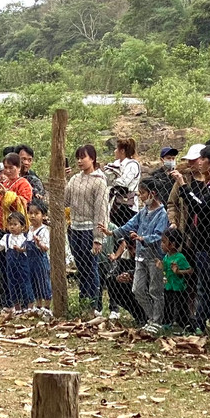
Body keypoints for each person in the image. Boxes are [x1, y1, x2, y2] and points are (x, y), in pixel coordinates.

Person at [112, 180, 169, 330]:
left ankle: (157, 322)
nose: (140, 196)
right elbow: (130, 224)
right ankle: (151, 317)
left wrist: (143, 239)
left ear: (152, 193)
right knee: (137, 289)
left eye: (143, 193)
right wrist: (113, 232)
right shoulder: (143, 211)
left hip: (154, 257)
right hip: (140, 257)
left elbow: (159, 236)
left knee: (155, 290)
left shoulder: (162, 214)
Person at [64, 145, 109, 315]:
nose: (80, 161)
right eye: (78, 157)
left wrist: (98, 237)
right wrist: (64, 179)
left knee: (91, 267)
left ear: (92, 158)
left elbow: (101, 210)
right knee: (81, 267)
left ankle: (95, 305)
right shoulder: (75, 178)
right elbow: (65, 201)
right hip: (74, 228)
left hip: (90, 229)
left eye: (83, 157)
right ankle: (84, 302)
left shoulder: (99, 181)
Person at [184, 144, 210, 332]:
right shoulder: (207, 185)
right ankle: (200, 321)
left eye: (204, 160)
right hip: (201, 241)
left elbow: (201, 208)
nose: (200, 164)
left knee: (205, 287)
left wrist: (184, 188)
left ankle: (200, 323)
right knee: (203, 285)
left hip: (209, 243)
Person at [0, 152, 31, 311]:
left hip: (17, 233)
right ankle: (5, 303)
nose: (8, 171)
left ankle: (24, 304)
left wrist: (6, 194)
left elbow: (23, 205)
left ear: (18, 168)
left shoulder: (23, 184)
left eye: (11, 168)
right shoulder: (1, 184)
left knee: (18, 269)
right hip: (0, 231)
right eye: (5, 168)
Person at [0, 211, 34, 315]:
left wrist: (22, 250)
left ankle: (29, 307)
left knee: (25, 285)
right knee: (13, 286)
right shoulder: (6, 238)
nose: (12, 227)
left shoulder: (25, 238)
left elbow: (29, 249)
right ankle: (17, 309)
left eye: (15, 224)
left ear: (22, 226)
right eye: (10, 224)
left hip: (23, 266)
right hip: (11, 267)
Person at [159, 228, 192, 330]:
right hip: (168, 286)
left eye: (164, 242)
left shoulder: (180, 257)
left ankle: (184, 324)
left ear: (172, 244)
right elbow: (165, 268)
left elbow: (190, 270)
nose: (161, 244)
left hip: (178, 288)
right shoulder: (166, 256)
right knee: (168, 305)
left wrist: (178, 272)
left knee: (180, 306)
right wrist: (161, 266)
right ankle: (167, 323)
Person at [25, 201, 52, 313]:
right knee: (34, 282)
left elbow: (46, 248)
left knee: (43, 282)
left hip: (40, 260)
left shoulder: (43, 230)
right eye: (30, 213)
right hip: (30, 261)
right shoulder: (29, 230)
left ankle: (47, 307)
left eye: (36, 213)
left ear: (43, 215)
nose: (33, 216)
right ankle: (38, 305)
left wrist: (39, 243)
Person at [105, 137, 142, 209]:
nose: (114, 151)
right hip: (115, 202)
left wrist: (112, 180)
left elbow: (124, 182)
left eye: (116, 149)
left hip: (128, 204)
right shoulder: (116, 163)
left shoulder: (132, 165)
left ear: (122, 151)